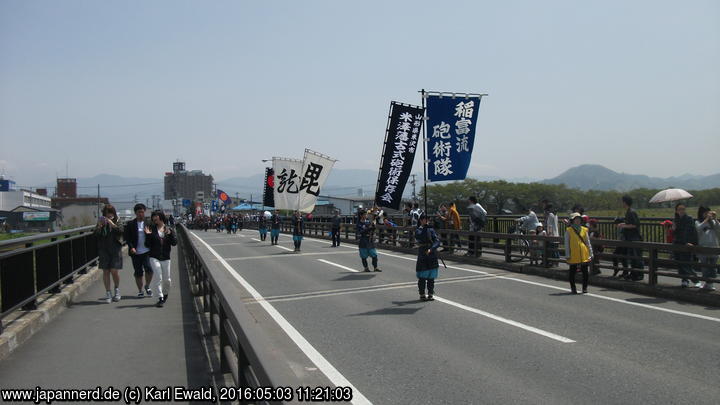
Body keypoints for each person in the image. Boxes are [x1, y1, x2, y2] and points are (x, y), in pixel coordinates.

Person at [144, 210, 177, 308]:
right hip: (154, 257)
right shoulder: (151, 229)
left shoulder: (169, 229)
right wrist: (149, 235)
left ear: (161, 217)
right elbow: (147, 245)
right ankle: (160, 297)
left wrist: (170, 234)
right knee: (158, 277)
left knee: (167, 280)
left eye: (156, 216)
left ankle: (165, 293)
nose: (154, 218)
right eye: (153, 217)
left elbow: (174, 243)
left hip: (166, 257)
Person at [124, 203, 153, 298]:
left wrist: (149, 235)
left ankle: (147, 286)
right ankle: (140, 291)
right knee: (138, 272)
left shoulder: (149, 223)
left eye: (142, 212)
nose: (141, 214)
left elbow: (154, 236)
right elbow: (127, 238)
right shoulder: (130, 224)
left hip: (147, 251)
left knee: (149, 269)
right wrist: (131, 247)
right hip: (135, 252)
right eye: (138, 212)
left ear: (144, 212)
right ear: (135, 213)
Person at [96, 204, 123, 303]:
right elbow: (95, 235)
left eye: (111, 213)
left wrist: (112, 224)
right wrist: (99, 226)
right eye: (107, 213)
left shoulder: (117, 220)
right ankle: (108, 293)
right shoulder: (101, 221)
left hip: (115, 250)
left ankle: (117, 290)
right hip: (104, 250)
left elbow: (120, 231)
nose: (109, 215)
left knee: (114, 271)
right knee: (106, 271)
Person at [565, 212, 593, 294]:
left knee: (585, 272)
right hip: (573, 254)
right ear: (572, 221)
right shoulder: (568, 230)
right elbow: (566, 243)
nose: (577, 221)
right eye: (575, 219)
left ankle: (585, 288)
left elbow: (587, 242)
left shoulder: (584, 229)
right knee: (572, 272)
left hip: (584, 254)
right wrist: (567, 254)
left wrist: (591, 253)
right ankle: (573, 288)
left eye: (579, 219)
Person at [617, 195, 644, 281]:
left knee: (636, 257)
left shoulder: (631, 212)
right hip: (630, 238)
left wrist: (623, 225)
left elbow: (634, 225)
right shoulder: (629, 211)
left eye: (622, 201)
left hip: (634, 238)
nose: (622, 203)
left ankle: (639, 275)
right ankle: (633, 273)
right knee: (632, 258)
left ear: (625, 202)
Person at [415, 213, 441, 301]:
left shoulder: (431, 229)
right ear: (421, 220)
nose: (426, 221)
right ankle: (422, 293)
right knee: (422, 277)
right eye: (424, 219)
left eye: (428, 219)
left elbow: (437, 241)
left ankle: (430, 293)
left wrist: (432, 248)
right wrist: (425, 229)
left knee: (431, 277)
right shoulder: (418, 230)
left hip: (432, 254)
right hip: (423, 253)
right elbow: (420, 237)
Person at [673, 203, 699, 288]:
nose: (681, 211)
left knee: (686, 263)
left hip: (686, 243)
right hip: (677, 243)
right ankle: (684, 280)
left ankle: (696, 280)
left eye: (683, 209)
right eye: (679, 209)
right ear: (676, 211)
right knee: (679, 263)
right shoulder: (676, 219)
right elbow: (674, 233)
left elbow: (689, 231)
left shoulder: (689, 218)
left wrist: (687, 241)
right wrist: (673, 228)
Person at [696, 206, 719, 290]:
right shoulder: (698, 222)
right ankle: (707, 283)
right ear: (701, 213)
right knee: (705, 267)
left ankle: (710, 284)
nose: (707, 214)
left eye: (708, 212)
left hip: (714, 246)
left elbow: (718, 227)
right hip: (703, 247)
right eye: (705, 212)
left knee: (713, 267)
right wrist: (706, 220)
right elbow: (698, 228)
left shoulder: (713, 221)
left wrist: (715, 218)